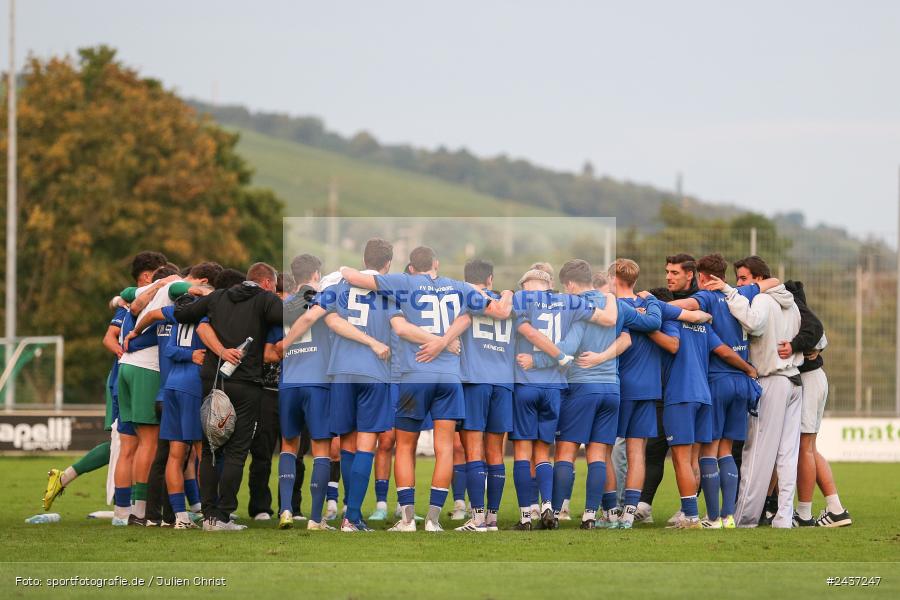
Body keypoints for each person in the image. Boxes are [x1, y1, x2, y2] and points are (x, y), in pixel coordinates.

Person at [340, 246, 512, 532]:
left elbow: (359, 280)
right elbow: (491, 312)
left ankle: (407, 520)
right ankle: (432, 521)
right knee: (444, 448)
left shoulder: (402, 282)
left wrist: (343, 271)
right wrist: (445, 341)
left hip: (414, 374)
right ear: (436, 263)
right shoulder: (458, 286)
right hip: (449, 377)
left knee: (404, 447)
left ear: (410, 267)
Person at [174, 262, 283, 531]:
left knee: (211, 449)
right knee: (236, 451)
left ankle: (209, 515)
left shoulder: (218, 297)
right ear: (268, 283)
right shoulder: (265, 299)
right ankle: (223, 516)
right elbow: (289, 317)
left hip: (214, 381)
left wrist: (192, 293)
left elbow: (182, 314)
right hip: (246, 384)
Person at [509, 267, 617, 530]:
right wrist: (612, 298)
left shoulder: (520, 300)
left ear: (526, 286)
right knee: (545, 452)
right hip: (556, 387)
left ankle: (526, 517)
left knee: (524, 452)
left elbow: (532, 334)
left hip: (527, 381)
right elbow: (609, 321)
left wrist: (545, 359)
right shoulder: (571, 302)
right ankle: (550, 506)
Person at [706, 256, 803, 529]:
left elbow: (754, 324)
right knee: (787, 454)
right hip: (794, 381)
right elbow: (814, 338)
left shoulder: (761, 300)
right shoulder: (792, 303)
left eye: (743, 279)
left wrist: (728, 293)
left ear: (758, 279)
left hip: (771, 380)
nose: (739, 284)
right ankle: (783, 516)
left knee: (756, 452)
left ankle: (743, 518)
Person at [781, 280, 851, 528]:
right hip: (817, 380)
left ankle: (804, 514)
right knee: (809, 448)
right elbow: (821, 341)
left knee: (805, 448)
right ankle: (835, 508)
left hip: (809, 381)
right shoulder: (806, 319)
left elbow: (817, 338)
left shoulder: (796, 316)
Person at [454, 259, 516, 532]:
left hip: (475, 380)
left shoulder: (464, 297)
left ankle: (477, 517)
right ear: (490, 279)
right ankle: (491, 518)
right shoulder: (507, 302)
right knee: (495, 453)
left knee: (474, 451)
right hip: (503, 382)